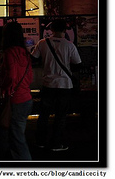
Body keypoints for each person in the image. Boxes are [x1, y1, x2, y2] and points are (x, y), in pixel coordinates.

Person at [31, 19, 82, 152]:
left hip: (48, 84)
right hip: (65, 85)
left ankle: (40, 141)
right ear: (65, 30)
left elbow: (34, 59)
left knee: (44, 114)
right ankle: (56, 143)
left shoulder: (42, 43)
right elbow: (77, 65)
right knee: (60, 115)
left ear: (51, 30)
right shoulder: (70, 45)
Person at [0, 21, 33, 160]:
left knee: (17, 138)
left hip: (16, 99)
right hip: (26, 97)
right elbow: (30, 77)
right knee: (17, 133)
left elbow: (11, 76)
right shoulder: (25, 53)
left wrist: (5, 88)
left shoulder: (9, 53)